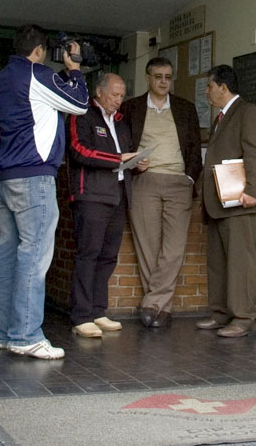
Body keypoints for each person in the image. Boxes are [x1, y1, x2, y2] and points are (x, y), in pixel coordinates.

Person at [0, 24, 89, 359]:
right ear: (39, 51)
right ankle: (27, 335)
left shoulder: (3, 77)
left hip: (5, 176)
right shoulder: (37, 73)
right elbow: (78, 104)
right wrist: (74, 69)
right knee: (33, 255)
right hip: (34, 175)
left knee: (8, 254)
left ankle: (5, 332)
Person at [119, 57, 202, 328]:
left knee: (174, 248)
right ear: (147, 78)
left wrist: (190, 178)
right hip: (144, 180)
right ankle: (160, 309)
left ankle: (153, 304)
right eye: (158, 76)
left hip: (178, 181)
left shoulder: (185, 108)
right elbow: (120, 145)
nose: (164, 81)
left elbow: (194, 148)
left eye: (168, 76)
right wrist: (132, 164)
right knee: (148, 246)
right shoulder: (131, 108)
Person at [67, 73, 148, 338]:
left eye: (122, 95)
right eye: (114, 94)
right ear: (99, 93)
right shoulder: (82, 114)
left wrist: (136, 163)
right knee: (88, 254)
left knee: (108, 256)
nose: (118, 100)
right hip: (91, 195)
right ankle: (81, 315)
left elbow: (124, 157)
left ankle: (98, 311)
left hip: (118, 195)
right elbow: (79, 150)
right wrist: (118, 158)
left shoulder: (122, 123)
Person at [196, 65, 256, 338]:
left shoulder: (248, 112)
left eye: (209, 87)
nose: (206, 92)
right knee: (218, 262)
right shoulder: (221, 118)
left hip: (240, 201)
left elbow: (255, 152)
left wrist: (253, 190)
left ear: (223, 87)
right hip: (219, 202)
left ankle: (244, 317)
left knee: (240, 262)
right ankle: (221, 313)